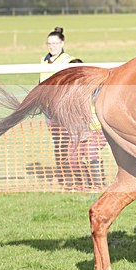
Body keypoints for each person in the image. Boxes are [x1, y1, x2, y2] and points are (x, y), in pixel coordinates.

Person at [40, 27, 77, 188]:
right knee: (58, 144)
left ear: (62, 43)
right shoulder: (43, 60)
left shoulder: (69, 61)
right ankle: (62, 175)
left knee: (69, 143)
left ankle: (73, 176)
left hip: (64, 109)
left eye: (55, 43)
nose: (52, 46)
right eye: (49, 43)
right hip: (49, 110)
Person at [67, 58, 108, 190]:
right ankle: (83, 185)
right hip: (78, 131)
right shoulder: (68, 91)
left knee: (90, 152)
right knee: (73, 158)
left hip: (97, 129)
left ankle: (98, 185)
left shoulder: (94, 88)